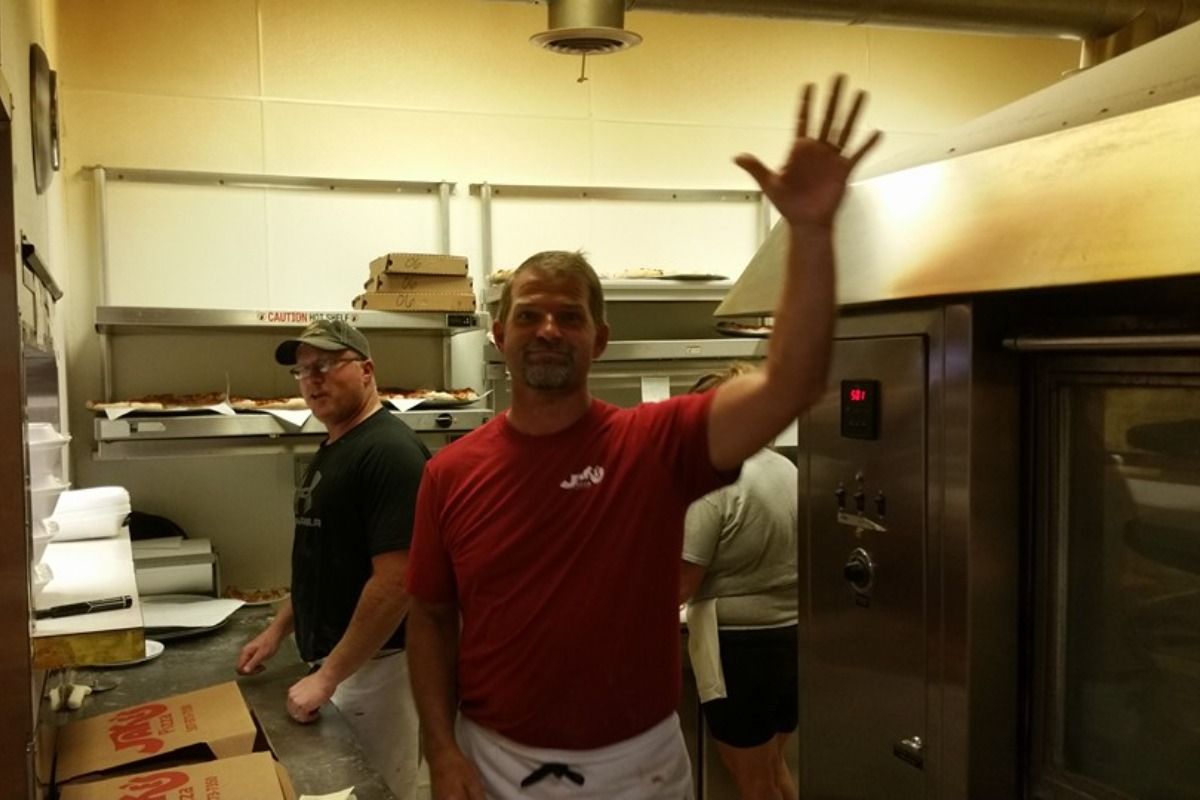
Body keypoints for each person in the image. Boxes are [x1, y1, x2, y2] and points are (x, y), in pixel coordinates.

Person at [406, 74, 881, 800]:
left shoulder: (655, 444)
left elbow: (792, 382)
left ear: (600, 337)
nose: (548, 331)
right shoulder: (451, 472)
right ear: (499, 334)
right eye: (530, 315)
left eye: (569, 316)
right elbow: (433, 619)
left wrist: (811, 233)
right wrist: (440, 751)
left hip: (640, 767)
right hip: (494, 760)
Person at [235, 319, 430, 800]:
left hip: (382, 672)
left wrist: (328, 676)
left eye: (325, 364)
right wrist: (279, 628)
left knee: (379, 792)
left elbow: (397, 582)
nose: (312, 379)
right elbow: (325, 559)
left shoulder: (390, 453)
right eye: (302, 371)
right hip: (344, 665)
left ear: (366, 370)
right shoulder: (336, 446)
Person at [680, 364, 800, 800]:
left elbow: (682, 582)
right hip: (792, 640)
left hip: (738, 650)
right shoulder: (786, 469)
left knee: (752, 783)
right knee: (773, 769)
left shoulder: (716, 479)